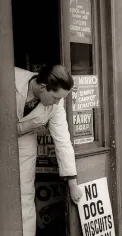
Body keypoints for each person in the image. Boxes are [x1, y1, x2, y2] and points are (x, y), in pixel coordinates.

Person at [15, 64, 83, 236]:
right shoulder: (10, 77)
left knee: (25, 195)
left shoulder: (55, 106)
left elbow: (63, 141)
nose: (57, 103)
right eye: (55, 98)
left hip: (24, 143)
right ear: (43, 87)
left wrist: (72, 183)